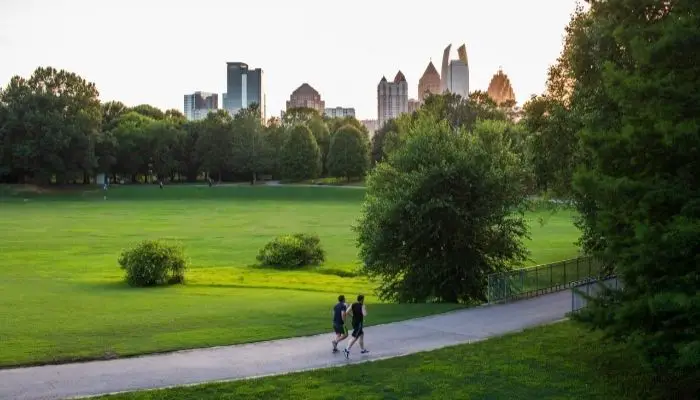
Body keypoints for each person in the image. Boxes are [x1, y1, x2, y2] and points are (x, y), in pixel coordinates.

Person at [344, 294, 369, 358]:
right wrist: (364, 308)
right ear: (362, 299)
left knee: (361, 334)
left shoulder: (353, 304)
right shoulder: (362, 305)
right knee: (355, 337)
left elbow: (346, 312)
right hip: (359, 323)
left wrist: (352, 315)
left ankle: (363, 350)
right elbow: (365, 314)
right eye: (363, 299)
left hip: (354, 322)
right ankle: (347, 349)